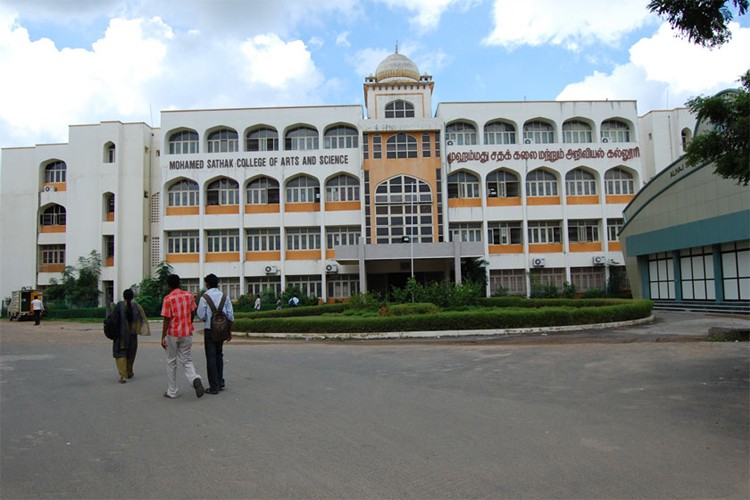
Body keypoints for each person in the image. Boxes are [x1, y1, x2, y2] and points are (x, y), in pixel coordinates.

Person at [161, 274, 204, 399]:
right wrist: (188, 322)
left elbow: (166, 319)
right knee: (186, 359)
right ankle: (194, 378)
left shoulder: (168, 299)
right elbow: (192, 311)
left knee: (171, 361)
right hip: (186, 332)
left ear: (169, 285)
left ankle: (172, 391)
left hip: (173, 333)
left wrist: (163, 336)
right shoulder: (188, 296)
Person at [196, 274, 234, 395]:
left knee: (211, 357)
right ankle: (220, 381)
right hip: (222, 330)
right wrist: (229, 332)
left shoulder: (204, 298)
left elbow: (201, 315)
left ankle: (214, 386)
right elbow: (230, 316)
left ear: (207, 284)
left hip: (210, 330)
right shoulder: (225, 297)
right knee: (219, 355)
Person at [112, 289, 150, 383]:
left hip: (120, 336)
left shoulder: (119, 306)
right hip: (132, 335)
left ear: (123, 296)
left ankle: (122, 376)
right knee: (131, 354)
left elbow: (112, 319)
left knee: (121, 354)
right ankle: (129, 372)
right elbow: (142, 320)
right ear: (132, 297)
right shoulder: (137, 307)